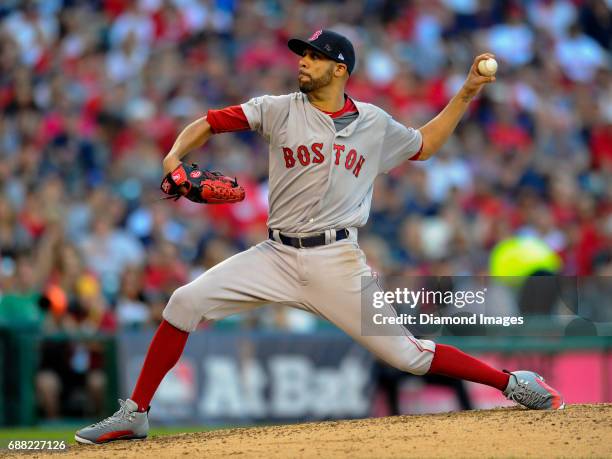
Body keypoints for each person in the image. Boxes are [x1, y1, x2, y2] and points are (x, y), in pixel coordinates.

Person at [75, 29, 564, 445]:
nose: (303, 62)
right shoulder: (279, 108)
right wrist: (173, 159)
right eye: (302, 55)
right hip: (275, 254)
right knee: (183, 302)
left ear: (339, 70)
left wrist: (466, 92)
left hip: (337, 261)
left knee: (409, 357)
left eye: (313, 57)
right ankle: (136, 412)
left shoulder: (374, 124)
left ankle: (511, 382)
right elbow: (207, 123)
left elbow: (427, 145)